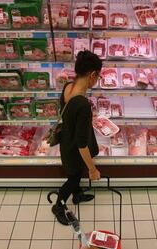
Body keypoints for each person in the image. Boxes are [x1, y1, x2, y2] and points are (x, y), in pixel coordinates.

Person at [51, 50, 102, 225]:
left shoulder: (68, 87)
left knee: (77, 174)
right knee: (73, 178)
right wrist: (93, 169)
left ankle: (78, 195)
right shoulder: (83, 105)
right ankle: (58, 205)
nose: (97, 80)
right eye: (98, 77)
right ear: (92, 75)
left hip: (66, 140)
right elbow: (82, 145)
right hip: (74, 148)